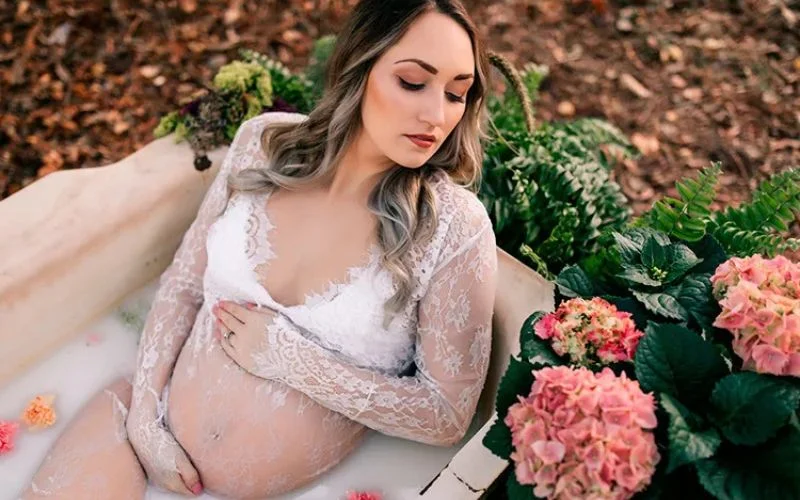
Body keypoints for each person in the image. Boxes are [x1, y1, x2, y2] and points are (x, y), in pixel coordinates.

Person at [21, 0, 498, 497]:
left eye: (457, 94)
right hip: (139, 433)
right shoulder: (264, 142)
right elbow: (184, 286)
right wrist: (144, 419)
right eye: (412, 83)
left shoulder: (453, 228)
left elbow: (447, 415)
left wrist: (291, 359)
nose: (436, 115)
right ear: (360, 66)